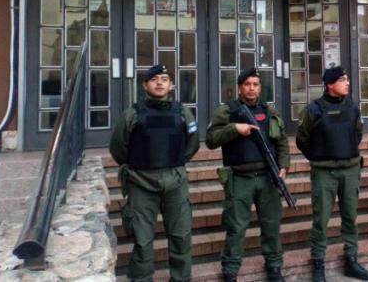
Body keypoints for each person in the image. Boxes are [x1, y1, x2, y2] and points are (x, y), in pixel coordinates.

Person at [110, 64, 199, 282]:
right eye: (154, 79)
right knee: (142, 239)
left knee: (181, 236)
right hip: (141, 183)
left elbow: (193, 144)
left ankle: (181, 278)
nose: (159, 83)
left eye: (164, 79)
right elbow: (118, 148)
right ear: (144, 85)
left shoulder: (183, 112)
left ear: (171, 85)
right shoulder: (132, 113)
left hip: (175, 182)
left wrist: (174, 162)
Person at [206, 68, 290, 282]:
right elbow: (211, 139)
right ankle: (230, 270)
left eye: (255, 84)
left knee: (271, 225)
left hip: (267, 178)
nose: (251, 88)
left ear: (260, 87)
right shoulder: (227, 111)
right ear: (240, 87)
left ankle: (274, 267)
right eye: (247, 84)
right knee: (236, 227)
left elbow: (281, 141)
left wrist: (284, 166)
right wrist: (235, 128)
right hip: (239, 178)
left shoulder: (269, 111)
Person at [296, 66, 368, 281]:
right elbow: (302, 139)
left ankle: (351, 260)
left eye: (347, 79)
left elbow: (357, 134)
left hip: (349, 170)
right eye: (342, 80)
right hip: (324, 173)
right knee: (321, 219)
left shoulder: (352, 107)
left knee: (350, 217)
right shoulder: (314, 110)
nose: (347, 83)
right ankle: (318, 262)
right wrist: (320, 157)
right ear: (330, 84)